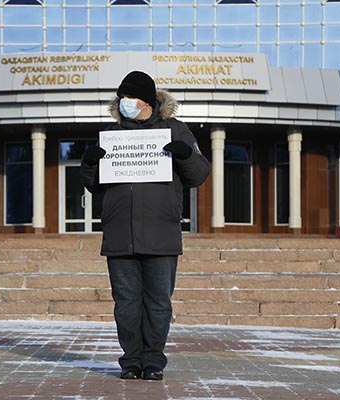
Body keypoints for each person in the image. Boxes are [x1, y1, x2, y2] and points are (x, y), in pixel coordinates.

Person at [80, 71, 210, 381]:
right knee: (126, 304)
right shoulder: (111, 134)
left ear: (147, 101)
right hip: (119, 235)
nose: (124, 102)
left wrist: (185, 155)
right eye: (121, 98)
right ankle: (131, 362)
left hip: (161, 234)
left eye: (130, 97)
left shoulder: (175, 130)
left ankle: (153, 361)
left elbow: (199, 174)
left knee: (158, 303)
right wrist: (89, 163)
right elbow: (93, 186)